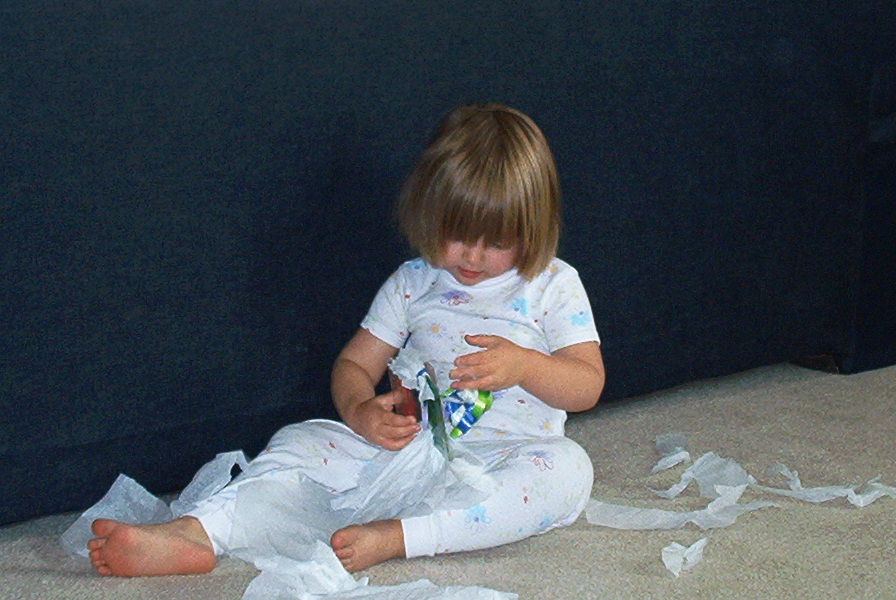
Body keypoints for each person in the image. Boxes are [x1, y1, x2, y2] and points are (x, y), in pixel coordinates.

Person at [87, 103, 605, 578]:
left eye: (496, 242)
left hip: (510, 454)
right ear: (428, 214)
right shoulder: (414, 282)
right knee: (299, 441)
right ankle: (199, 532)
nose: (472, 257)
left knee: (568, 472)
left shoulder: (552, 285)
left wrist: (527, 366)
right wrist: (360, 411)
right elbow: (354, 365)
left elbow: (587, 384)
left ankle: (402, 536)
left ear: (532, 229)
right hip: (406, 455)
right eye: (456, 235)